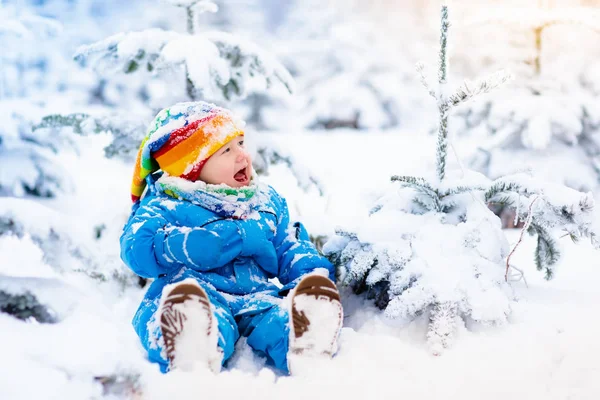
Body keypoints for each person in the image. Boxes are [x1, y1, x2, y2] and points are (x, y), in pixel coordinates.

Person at [120, 101, 343, 374]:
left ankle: (305, 336)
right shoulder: (165, 204)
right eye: (226, 150)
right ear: (191, 167)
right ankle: (190, 341)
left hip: (256, 296)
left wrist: (311, 276)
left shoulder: (265, 201)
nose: (243, 156)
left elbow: (289, 244)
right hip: (198, 292)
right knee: (199, 317)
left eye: (241, 143)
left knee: (276, 317)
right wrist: (182, 245)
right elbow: (136, 249)